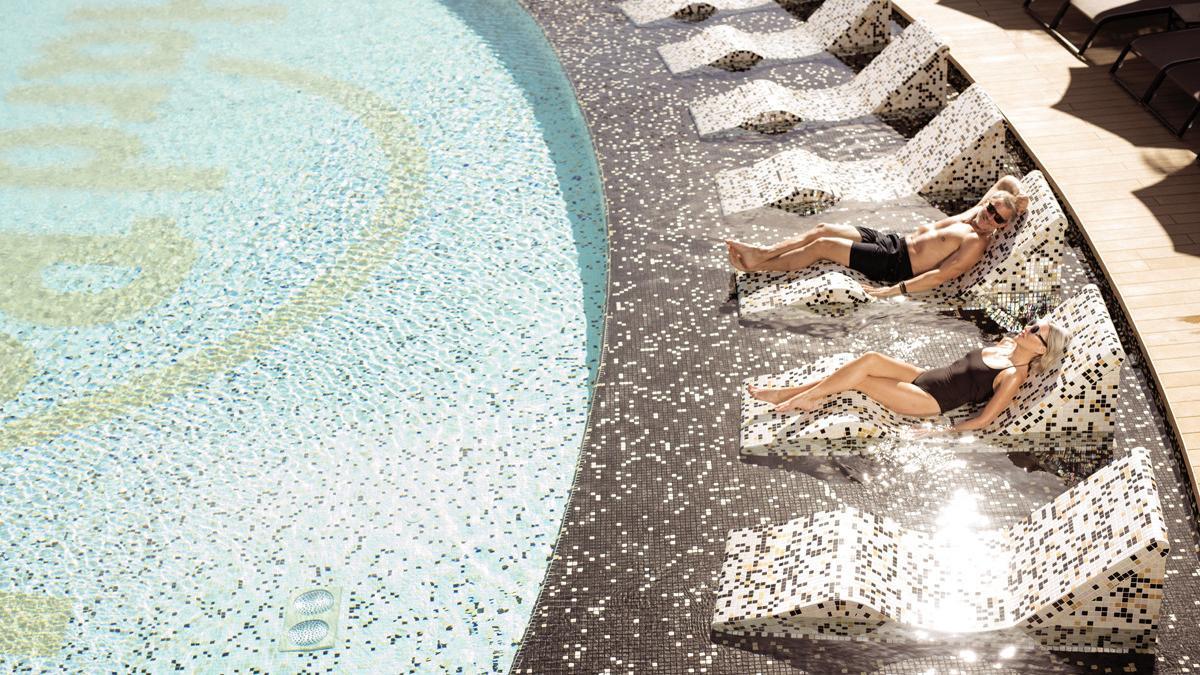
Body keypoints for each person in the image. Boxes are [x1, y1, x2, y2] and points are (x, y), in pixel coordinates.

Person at [726, 176, 1029, 299]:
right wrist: (1020, 198)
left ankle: (757, 265)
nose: (990, 215)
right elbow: (1007, 181)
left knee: (823, 246)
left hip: (895, 265)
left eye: (997, 218)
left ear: (1001, 226)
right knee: (823, 229)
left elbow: (939, 275)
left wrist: (890, 292)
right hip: (892, 241)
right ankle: (764, 253)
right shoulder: (976, 214)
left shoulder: (976, 242)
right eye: (991, 208)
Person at [747, 319, 1071, 432]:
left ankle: (800, 398)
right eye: (1031, 326)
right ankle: (793, 394)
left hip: (931, 400)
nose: (1027, 330)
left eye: (1035, 333)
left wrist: (939, 434)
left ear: (1043, 350)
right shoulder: (1006, 344)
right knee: (868, 359)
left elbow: (985, 419)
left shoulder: (1014, 374)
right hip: (926, 376)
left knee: (861, 380)